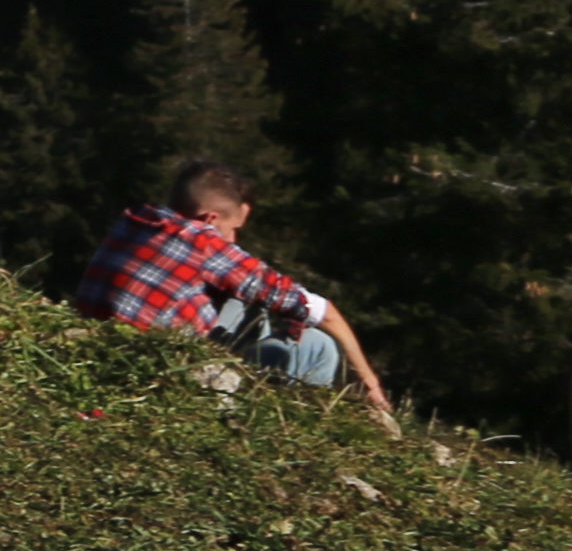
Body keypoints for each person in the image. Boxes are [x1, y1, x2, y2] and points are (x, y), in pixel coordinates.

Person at [75, 160, 396, 424]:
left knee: (246, 305)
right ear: (210, 219)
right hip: (157, 377)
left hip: (103, 352)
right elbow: (324, 312)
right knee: (319, 346)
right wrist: (369, 382)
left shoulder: (135, 221)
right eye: (234, 229)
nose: (235, 239)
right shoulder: (203, 244)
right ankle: (297, 430)